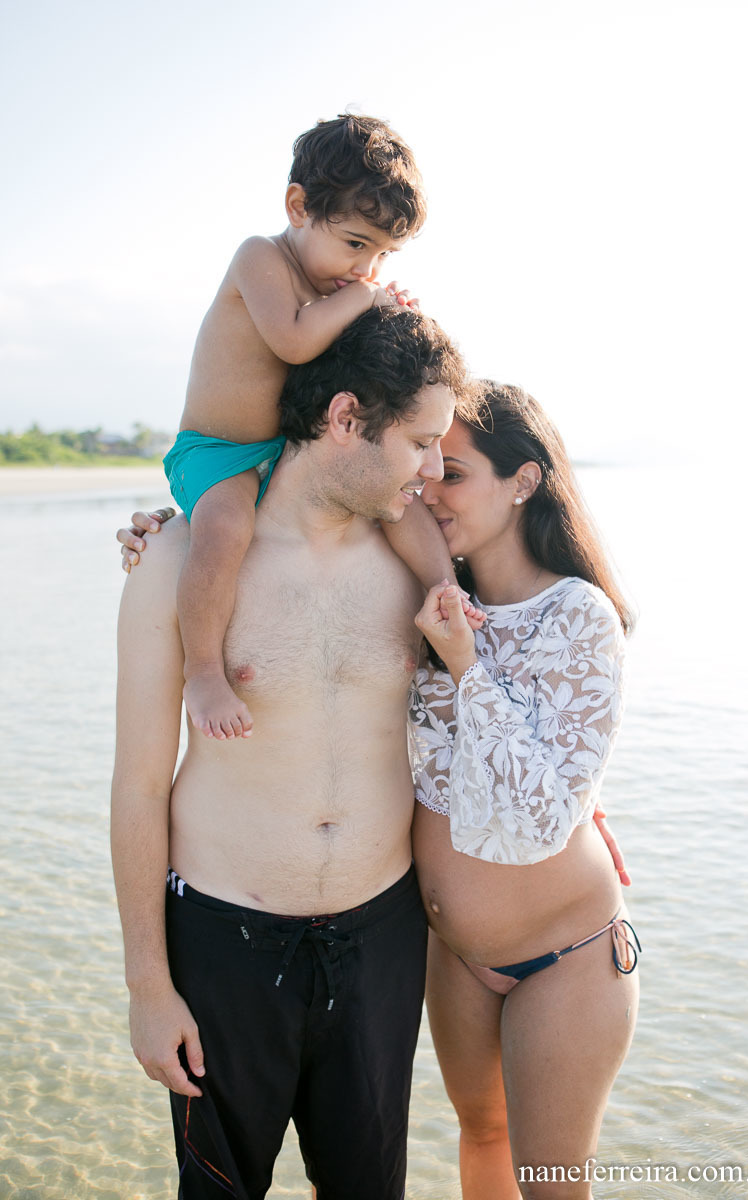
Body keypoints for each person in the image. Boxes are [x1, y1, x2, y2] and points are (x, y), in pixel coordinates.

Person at [111, 306, 478, 1200]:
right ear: (347, 418)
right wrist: (150, 990)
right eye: (420, 443)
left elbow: (518, 695)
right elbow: (135, 786)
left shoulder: (419, 567)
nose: (434, 471)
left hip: (382, 938)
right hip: (223, 941)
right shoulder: (181, 563)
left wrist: (587, 807)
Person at [409, 382, 639, 1199]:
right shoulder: (426, 597)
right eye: (427, 467)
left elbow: (542, 814)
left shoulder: (579, 616)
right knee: (482, 1138)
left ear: (524, 481)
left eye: (456, 473)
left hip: (564, 958)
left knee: (550, 1186)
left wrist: (467, 662)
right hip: (455, 952)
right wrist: (171, 535)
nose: (431, 489)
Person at [161, 113, 456, 741]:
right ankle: (205, 671)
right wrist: (364, 299)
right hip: (219, 453)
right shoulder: (260, 257)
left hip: (284, 451)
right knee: (225, 529)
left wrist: (386, 318)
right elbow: (293, 342)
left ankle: (448, 590)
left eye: (382, 255)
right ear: (298, 206)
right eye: (355, 244)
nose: (365, 268)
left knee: (392, 500)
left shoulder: (338, 288)